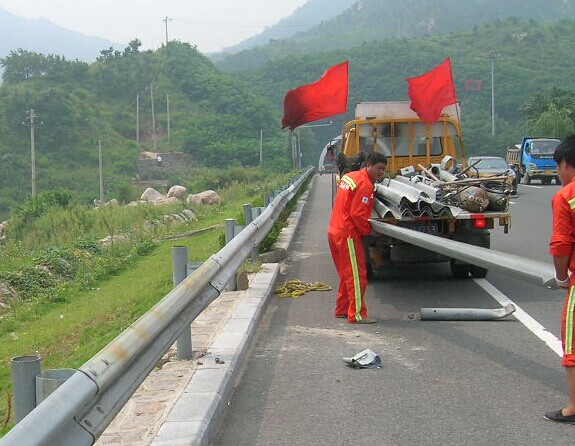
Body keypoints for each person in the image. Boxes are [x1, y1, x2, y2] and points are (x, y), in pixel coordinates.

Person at [327, 151, 387, 324]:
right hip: (348, 235)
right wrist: (369, 231)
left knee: (347, 275)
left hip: (334, 231)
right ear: (368, 165)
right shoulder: (365, 185)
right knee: (357, 276)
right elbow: (358, 215)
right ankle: (357, 314)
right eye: (379, 168)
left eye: (383, 169)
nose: (381, 172)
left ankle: (342, 309)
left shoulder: (350, 177)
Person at [546, 134, 575, 423]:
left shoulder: (566, 195)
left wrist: (561, 277)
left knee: (573, 343)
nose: (558, 173)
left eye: (558, 166)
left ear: (566, 163)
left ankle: (573, 407)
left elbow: (561, 244)